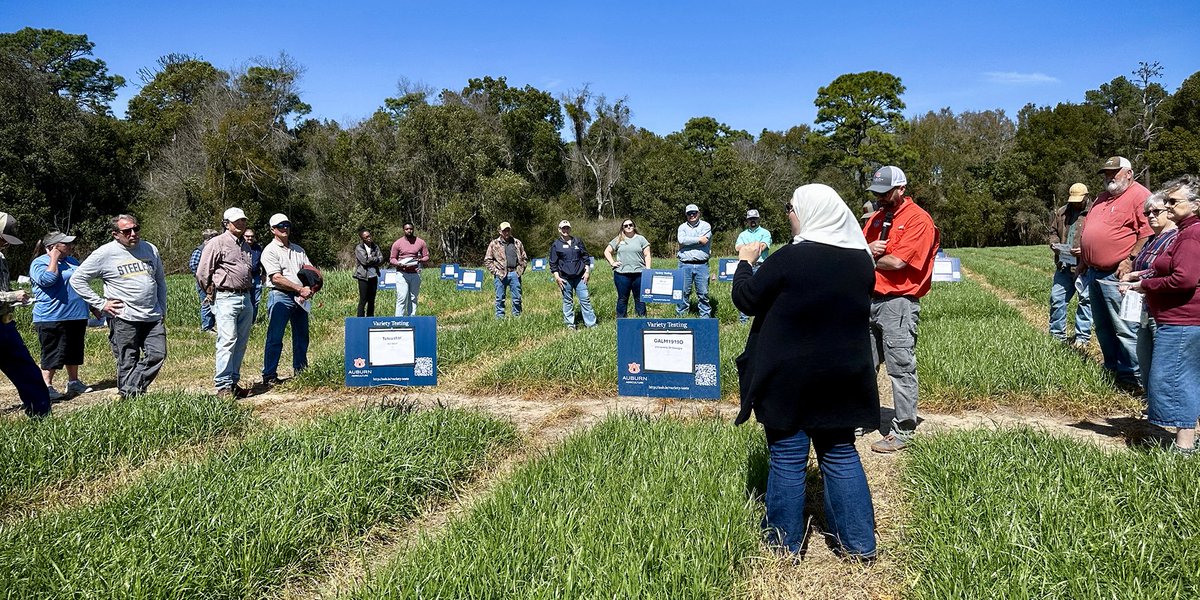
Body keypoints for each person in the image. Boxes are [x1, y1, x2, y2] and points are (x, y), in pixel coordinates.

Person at [731, 184, 878, 560]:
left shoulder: (790, 259)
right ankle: (859, 545)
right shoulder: (861, 260)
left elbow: (746, 299)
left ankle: (784, 546)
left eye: (790, 209)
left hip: (789, 377)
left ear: (808, 211)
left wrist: (745, 262)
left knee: (787, 458)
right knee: (841, 454)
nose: (789, 216)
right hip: (842, 376)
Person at [862, 166, 939, 454]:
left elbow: (896, 263)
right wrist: (866, 250)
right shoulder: (877, 218)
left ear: (901, 189)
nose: (880, 198)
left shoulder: (919, 220)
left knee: (900, 366)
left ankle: (904, 428)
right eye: (876, 193)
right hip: (868, 299)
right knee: (863, 363)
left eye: (885, 193)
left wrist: (866, 257)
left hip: (898, 303)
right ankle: (863, 417)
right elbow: (856, 248)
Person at [1122, 176, 1200, 453]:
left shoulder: (1191, 234)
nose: (1166, 206)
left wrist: (1145, 285)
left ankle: (1184, 446)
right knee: (1183, 377)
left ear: (1195, 204)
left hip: (1182, 319)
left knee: (1175, 378)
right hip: (1178, 318)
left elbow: (1184, 280)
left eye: (1173, 201)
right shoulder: (1185, 232)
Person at [70, 214, 168, 399]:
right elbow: (78, 279)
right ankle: (131, 399)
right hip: (124, 316)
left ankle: (130, 390)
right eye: (127, 231)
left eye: (136, 229)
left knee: (157, 354)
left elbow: (160, 281)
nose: (133, 234)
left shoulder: (150, 249)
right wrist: (101, 303)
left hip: (152, 316)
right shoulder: (104, 253)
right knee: (127, 360)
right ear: (116, 234)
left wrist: (162, 308)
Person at [1078, 156, 1153, 391]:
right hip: (1094, 272)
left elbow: (1148, 232)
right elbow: (1090, 231)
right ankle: (1112, 370)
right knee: (1102, 325)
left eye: (1115, 173)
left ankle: (1133, 377)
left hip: (1117, 274)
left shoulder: (1140, 196)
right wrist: (1083, 260)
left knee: (1124, 327)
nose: (1109, 177)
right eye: (1107, 173)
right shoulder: (1102, 198)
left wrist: (1129, 259)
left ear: (1129, 173)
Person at [196, 207, 256, 398]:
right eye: (237, 221)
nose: (241, 223)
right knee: (227, 340)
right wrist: (210, 291)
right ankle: (223, 385)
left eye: (243, 220)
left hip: (245, 297)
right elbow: (202, 272)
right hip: (225, 297)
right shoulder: (216, 243)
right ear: (226, 223)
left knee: (241, 342)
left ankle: (233, 382)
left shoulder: (245, 245)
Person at [1122, 193, 1179, 392]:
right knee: (1144, 354)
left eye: (1156, 211)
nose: (1151, 216)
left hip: (1163, 309)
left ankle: (1161, 403)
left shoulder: (1176, 238)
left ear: (1170, 212)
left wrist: (1137, 278)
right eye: (1148, 213)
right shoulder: (1152, 240)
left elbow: (1165, 269)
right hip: (1145, 306)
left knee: (1161, 359)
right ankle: (1150, 401)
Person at [30, 231, 94, 401]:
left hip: (76, 315)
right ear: (52, 247)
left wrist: (94, 306)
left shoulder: (72, 262)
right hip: (51, 316)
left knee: (74, 350)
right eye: (65, 244)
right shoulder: (39, 263)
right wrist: (53, 258)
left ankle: (73, 382)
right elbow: (47, 280)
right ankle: (46, 386)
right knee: (52, 351)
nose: (70, 246)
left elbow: (82, 285)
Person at [0, 212, 51, 417]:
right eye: (3, 238)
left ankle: (41, 417)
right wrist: (12, 295)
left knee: (28, 372)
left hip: (5, 326)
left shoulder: (1, 256)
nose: (6, 244)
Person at [260, 213, 317, 386]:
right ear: (272, 230)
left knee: (302, 336)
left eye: (287, 225)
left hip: (300, 298)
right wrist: (300, 288)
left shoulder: (299, 249)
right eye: (280, 226)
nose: (284, 228)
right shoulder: (270, 251)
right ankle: (269, 375)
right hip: (280, 296)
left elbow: (310, 270)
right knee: (275, 337)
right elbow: (276, 278)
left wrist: (311, 287)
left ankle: (301, 371)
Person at [1047, 182, 1093, 348]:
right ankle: (1056, 335)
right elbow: (1053, 232)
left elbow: (1099, 237)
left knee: (1086, 301)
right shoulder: (1062, 212)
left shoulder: (1095, 212)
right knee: (1057, 299)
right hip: (1064, 266)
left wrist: (1085, 250)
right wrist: (1055, 244)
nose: (1075, 203)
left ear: (1086, 197)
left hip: (1085, 267)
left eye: (1078, 200)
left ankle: (1082, 338)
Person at [549, 220, 596, 329]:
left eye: (567, 228)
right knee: (567, 301)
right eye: (563, 228)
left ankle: (591, 324)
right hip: (565, 278)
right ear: (559, 230)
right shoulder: (556, 245)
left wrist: (587, 271)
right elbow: (553, 263)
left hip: (580, 277)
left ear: (570, 229)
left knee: (585, 300)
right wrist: (557, 277)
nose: (565, 230)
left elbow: (585, 257)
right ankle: (570, 325)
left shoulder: (577, 241)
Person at [604, 218, 651, 318]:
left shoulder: (641, 239)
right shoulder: (618, 239)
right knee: (622, 298)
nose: (628, 227)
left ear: (634, 226)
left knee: (640, 298)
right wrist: (612, 262)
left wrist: (648, 269)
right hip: (622, 275)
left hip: (639, 274)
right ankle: (621, 321)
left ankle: (641, 320)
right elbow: (607, 251)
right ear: (623, 228)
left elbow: (647, 255)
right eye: (626, 226)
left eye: (630, 225)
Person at [735, 209, 772, 323]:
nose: (753, 221)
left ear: (759, 219)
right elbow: (737, 248)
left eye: (755, 219)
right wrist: (754, 246)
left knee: (763, 293)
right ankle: (743, 321)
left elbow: (762, 247)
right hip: (747, 266)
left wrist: (746, 247)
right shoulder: (742, 234)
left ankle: (762, 319)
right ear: (747, 220)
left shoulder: (765, 233)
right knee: (744, 292)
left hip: (761, 266)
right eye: (750, 219)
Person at [676, 204, 713, 317]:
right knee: (682, 293)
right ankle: (681, 319)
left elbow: (704, 241)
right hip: (684, 265)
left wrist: (688, 242)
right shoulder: (682, 227)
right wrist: (698, 240)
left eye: (694, 213)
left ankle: (705, 319)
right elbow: (681, 240)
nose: (692, 215)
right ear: (686, 215)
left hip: (701, 265)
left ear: (699, 213)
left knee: (703, 294)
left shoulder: (706, 226)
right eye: (689, 213)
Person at [484, 222, 527, 318]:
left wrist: (520, 271)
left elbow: (524, 258)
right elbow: (487, 260)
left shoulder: (517, 243)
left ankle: (517, 317)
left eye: (508, 230)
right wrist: (496, 272)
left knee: (517, 298)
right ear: (500, 231)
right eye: (504, 230)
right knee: (500, 299)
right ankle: (500, 319)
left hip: (515, 274)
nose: (507, 232)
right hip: (500, 275)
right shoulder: (494, 244)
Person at [389, 222, 430, 316]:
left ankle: (412, 318)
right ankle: (398, 320)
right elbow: (392, 259)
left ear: (413, 229)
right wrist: (399, 263)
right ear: (403, 230)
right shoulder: (397, 243)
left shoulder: (420, 242)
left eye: (411, 229)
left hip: (415, 273)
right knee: (402, 297)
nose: (409, 231)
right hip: (402, 273)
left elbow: (426, 257)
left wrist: (420, 260)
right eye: (407, 229)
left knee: (413, 297)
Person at [189, 229, 219, 333]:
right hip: (203, 282)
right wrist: (204, 278)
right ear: (209, 238)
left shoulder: (214, 249)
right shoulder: (199, 250)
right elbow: (193, 266)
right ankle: (206, 327)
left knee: (215, 303)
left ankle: (212, 325)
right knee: (206, 303)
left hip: (214, 282)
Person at [353, 228, 384, 317]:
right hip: (363, 277)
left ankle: (370, 318)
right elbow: (365, 261)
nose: (369, 238)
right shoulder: (359, 248)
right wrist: (375, 259)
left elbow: (381, 259)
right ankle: (360, 319)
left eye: (369, 236)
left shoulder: (375, 246)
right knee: (363, 299)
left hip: (374, 276)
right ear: (362, 239)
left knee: (372, 300)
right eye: (366, 237)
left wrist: (372, 259)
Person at [243, 227, 264, 321]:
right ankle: (244, 320)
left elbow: (264, 262)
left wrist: (264, 274)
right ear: (243, 236)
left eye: (252, 236)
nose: (250, 238)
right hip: (243, 278)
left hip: (256, 277)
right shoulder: (239, 247)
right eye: (247, 236)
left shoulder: (258, 248)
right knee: (244, 300)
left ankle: (252, 321)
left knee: (255, 300)